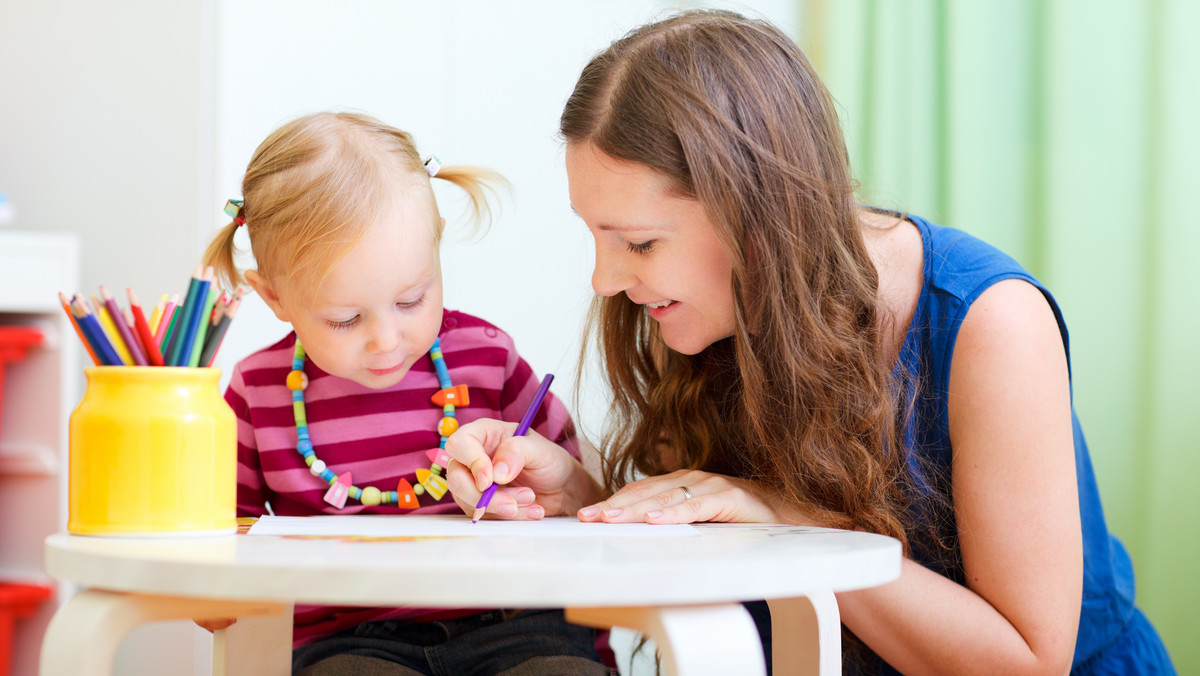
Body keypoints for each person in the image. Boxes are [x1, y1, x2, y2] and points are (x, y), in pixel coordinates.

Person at [444, 10, 1176, 675]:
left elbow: (1025, 663)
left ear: (754, 215)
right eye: (595, 236)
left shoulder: (991, 323)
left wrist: (787, 522)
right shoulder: (701, 313)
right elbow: (719, 517)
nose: (605, 280)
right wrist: (582, 494)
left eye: (638, 242)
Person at [200, 111, 612, 676]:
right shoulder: (257, 393)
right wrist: (214, 584)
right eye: (345, 319)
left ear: (437, 248)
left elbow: (587, 505)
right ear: (274, 297)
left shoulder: (488, 358)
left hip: (517, 622)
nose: (387, 340)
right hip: (349, 643)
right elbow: (221, 532)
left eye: (412, 299)